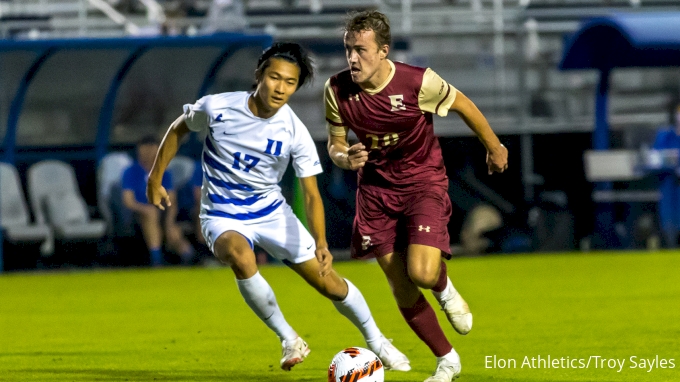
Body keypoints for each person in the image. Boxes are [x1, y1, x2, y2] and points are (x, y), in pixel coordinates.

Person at [146, 42, 410, 372]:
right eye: (274, 78)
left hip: (272, 214)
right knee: (240, 256)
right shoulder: (217, 107)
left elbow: (312, 194)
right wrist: (155, 178)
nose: (280, 88)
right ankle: (289, 338)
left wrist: (323, 243)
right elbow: (178, 129)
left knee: (327, 282)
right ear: (258, 76)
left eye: (290, 83)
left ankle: (377, 341)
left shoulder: (294, 130)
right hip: (221, 214)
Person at [325, 11, 508, 382]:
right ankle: (447, 360)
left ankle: (444, 287)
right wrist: (346, 157)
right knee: (400, 283)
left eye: (360, 49)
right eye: (348, 49)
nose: (352, 58)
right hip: (375, 192)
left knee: (422, 272)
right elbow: (335, 143)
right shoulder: (336, 90)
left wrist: (494, 145)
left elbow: (463, 104)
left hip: (421, 182)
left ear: (383, 52)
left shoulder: (417, 81)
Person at [122, 135, 195, 266]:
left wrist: (169, 223)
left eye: (152, 149)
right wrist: (146, 209)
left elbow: (171, 201)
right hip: (137, 216)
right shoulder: (131, 172)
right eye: (145, 149)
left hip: (162, 214)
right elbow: (128, 201)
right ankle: (156, 259)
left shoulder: (164, 173)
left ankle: (191, 258)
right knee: (150, 214)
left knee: (174, 232)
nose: (149, 153)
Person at [651, 102, 680, 247]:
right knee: (669, 217)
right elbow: (656, 157)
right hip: (668, 181)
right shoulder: (665, 135)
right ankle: (670, 244)